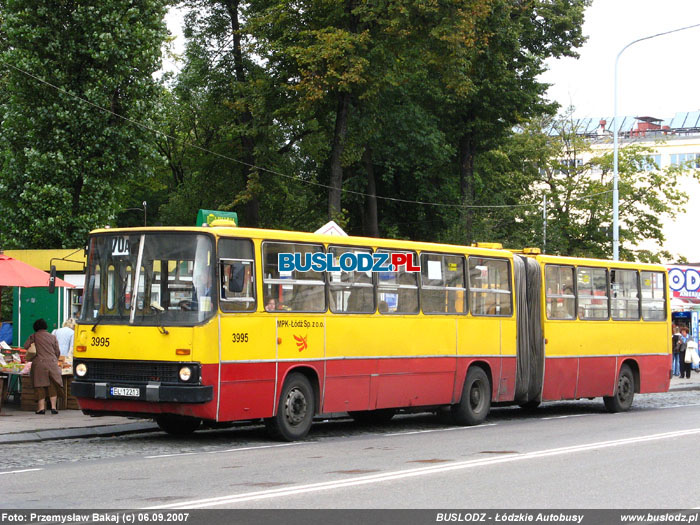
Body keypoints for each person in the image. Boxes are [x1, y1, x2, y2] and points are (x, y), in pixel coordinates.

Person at [24, 318, 64, 415]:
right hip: (52, 363)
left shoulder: (34, 336)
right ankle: (53, 408)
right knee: (52, 385)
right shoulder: (53, 337)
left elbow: (26, 346)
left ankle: (41, 408)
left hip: (39, 364)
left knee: (40, 386)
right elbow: (57, 352)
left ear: (35, 327)